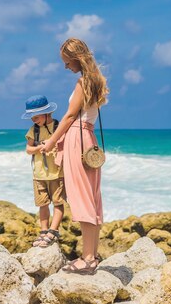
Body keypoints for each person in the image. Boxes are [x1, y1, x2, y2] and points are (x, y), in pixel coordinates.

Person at [40, 38, 109, 274]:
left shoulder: (83, 82)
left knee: (81, 198)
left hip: (77, 140)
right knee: (91, 197)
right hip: (89, 139)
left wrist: (51, 140)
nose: (66, 66)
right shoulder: (96, 81)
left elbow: (69, 117)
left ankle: (87, 258)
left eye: (67, 62)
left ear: (76, 58)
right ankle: (92, 255)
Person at [22, 94, 66, 248]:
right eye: (31, 117)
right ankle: (43, 231)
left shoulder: (58, 127)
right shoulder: (33, 130)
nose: (34, 120)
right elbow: (28, 149)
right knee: (42, 204)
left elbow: (65, 145)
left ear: (48, 113)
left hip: (57, 173)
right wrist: (40, 147)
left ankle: (53, 231)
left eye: (36, 116)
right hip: (39, 174)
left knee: (58, 203)